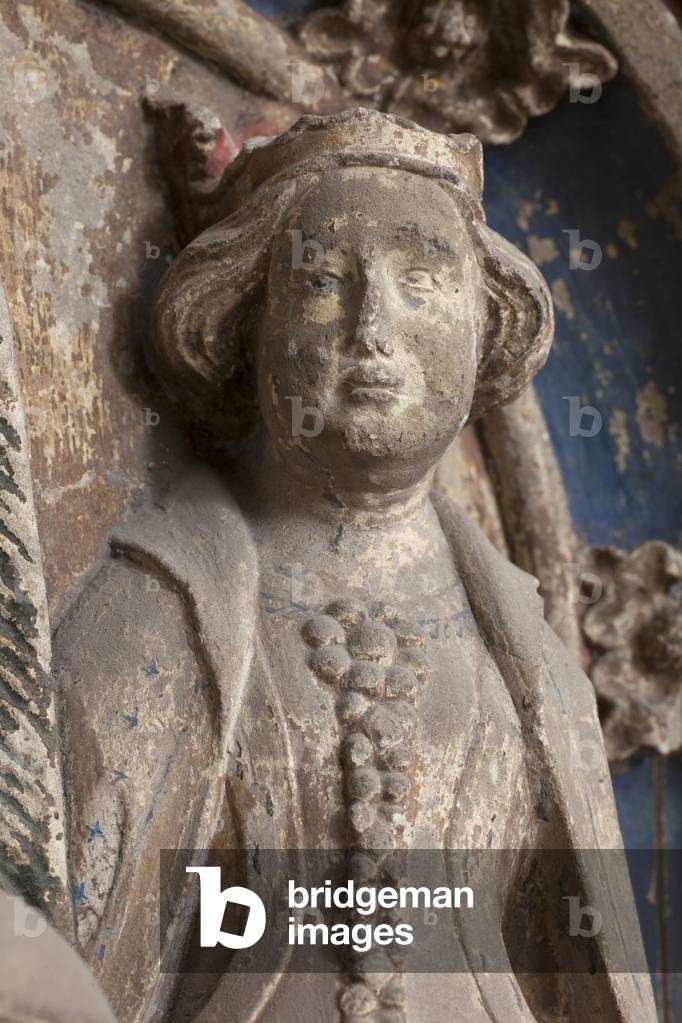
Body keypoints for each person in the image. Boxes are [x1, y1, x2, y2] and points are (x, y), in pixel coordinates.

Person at [54, 109, 657, 1023]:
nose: (375, 327)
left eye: (422, 281)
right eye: (326, 282)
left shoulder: (531, 659)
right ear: (247, 323)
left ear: (482, 327)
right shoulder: (155, 612)